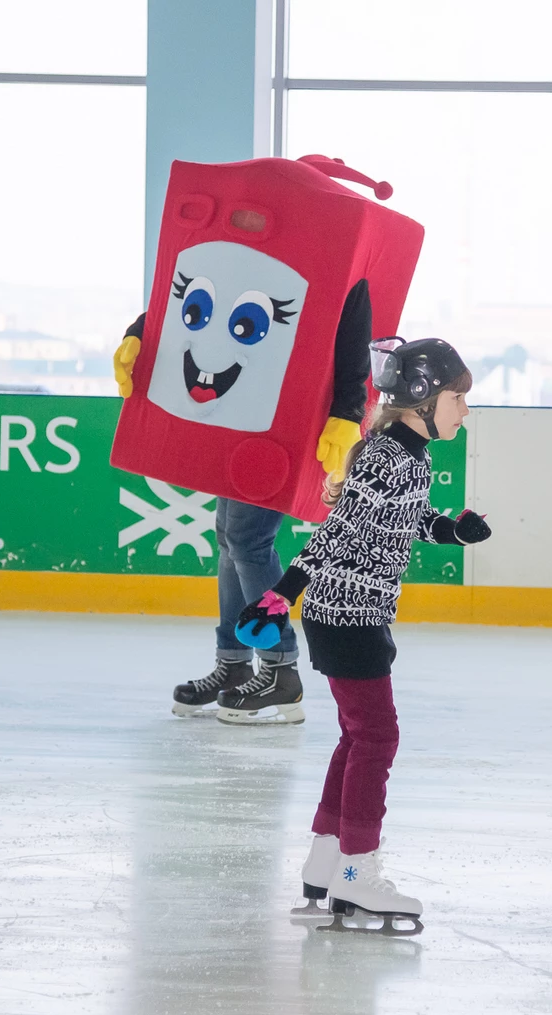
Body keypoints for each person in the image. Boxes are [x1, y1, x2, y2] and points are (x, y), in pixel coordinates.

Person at [235, 337, 490, 935]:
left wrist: (453, 531)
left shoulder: (405, 455)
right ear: (423, 400)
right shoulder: (389, 457)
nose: (465, 410)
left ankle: (327, 862)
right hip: (347, 612)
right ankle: (358, 872)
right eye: (457, 398)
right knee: (377, 737)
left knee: (358, 736)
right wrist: (281, 593)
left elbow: (402, 519)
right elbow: (341, 529)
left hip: (355, 611)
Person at [112, 279, 373, 724]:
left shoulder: (334, 252)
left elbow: (353, 328)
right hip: (240, 411)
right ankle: (234, 662)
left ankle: (280, 668)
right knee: (230, 539)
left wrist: (348, 410)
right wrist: (142, 328)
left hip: (287, 418)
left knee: (248, 539)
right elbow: (206, 279)